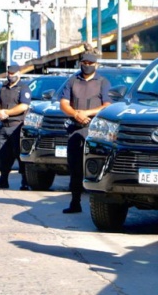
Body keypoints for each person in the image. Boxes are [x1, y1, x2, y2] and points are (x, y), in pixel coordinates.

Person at [60, 48, 112, 213]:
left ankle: (97, 205)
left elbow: (107, 105)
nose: (87, 66)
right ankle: (75, 202)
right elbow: (63, 103)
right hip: (76, 129)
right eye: (84, 63)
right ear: (80, 63)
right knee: (74, 167)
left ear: (96, 64)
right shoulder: (72, 81)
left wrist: (86, 113)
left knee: (95, 167)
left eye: (90, 63)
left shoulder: (103, 82)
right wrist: (75, 113)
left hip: (95, 131)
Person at [0, 65, 32, 190]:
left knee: (20, 155)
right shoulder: (3, 88)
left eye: (13, 73)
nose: (10, 75)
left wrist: (7, 112)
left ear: (18, 74)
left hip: (17, 126)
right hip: (4, 125)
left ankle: (25, 181)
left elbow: (24, 106)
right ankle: (3, 180)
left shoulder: (23, 88)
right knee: (3, 154)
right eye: (9, 73)